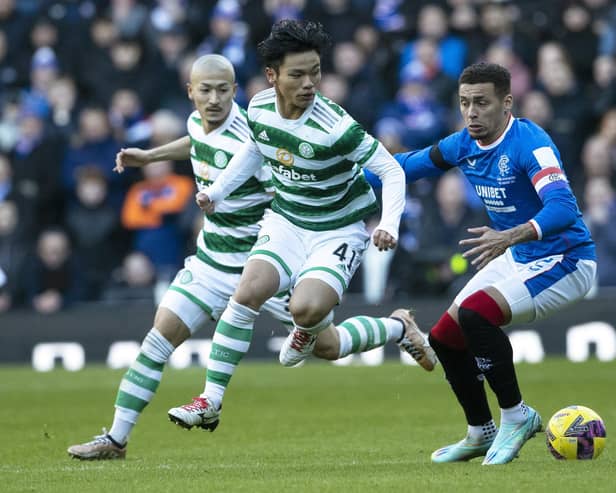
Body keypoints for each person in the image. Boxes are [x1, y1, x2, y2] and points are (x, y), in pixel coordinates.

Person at [67, 52, 433, 460]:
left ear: (236, 92)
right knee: (159, 337)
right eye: (205, 90)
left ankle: (398, 328)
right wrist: (151, 156)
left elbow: (281, 183)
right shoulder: (194, 121)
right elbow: (199, 141)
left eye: (223, 90)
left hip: (264, 259)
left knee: (327, 346)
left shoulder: (255, 131)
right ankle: (116, 439)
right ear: (190, 92)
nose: (214, 99)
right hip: (209, 262)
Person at [167, 20, 434, 432]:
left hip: (338, 229)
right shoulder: (257, 107)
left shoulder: (334, 127)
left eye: (315, 72)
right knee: (248, 291)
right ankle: (210, 401)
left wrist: (390, 224)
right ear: (272, 76)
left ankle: (398, 326)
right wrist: (217, 192)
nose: (309, 83)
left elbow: (392, 171)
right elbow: (255, 148)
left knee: (309, 316)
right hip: (287, 220)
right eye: (298, 74)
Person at [391, 62, 596, 465]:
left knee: (474, 314)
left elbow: (564, 208)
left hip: (566, 259)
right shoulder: (462, 144)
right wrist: (342, 175)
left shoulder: (530, 144)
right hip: (518, 255)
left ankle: (517, 416)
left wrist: (510, 235)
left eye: (481, 103)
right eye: (464, 103)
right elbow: (404, 167)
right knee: (444, 337)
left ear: (506, 103)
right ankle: (480, 431)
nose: (471, 112)